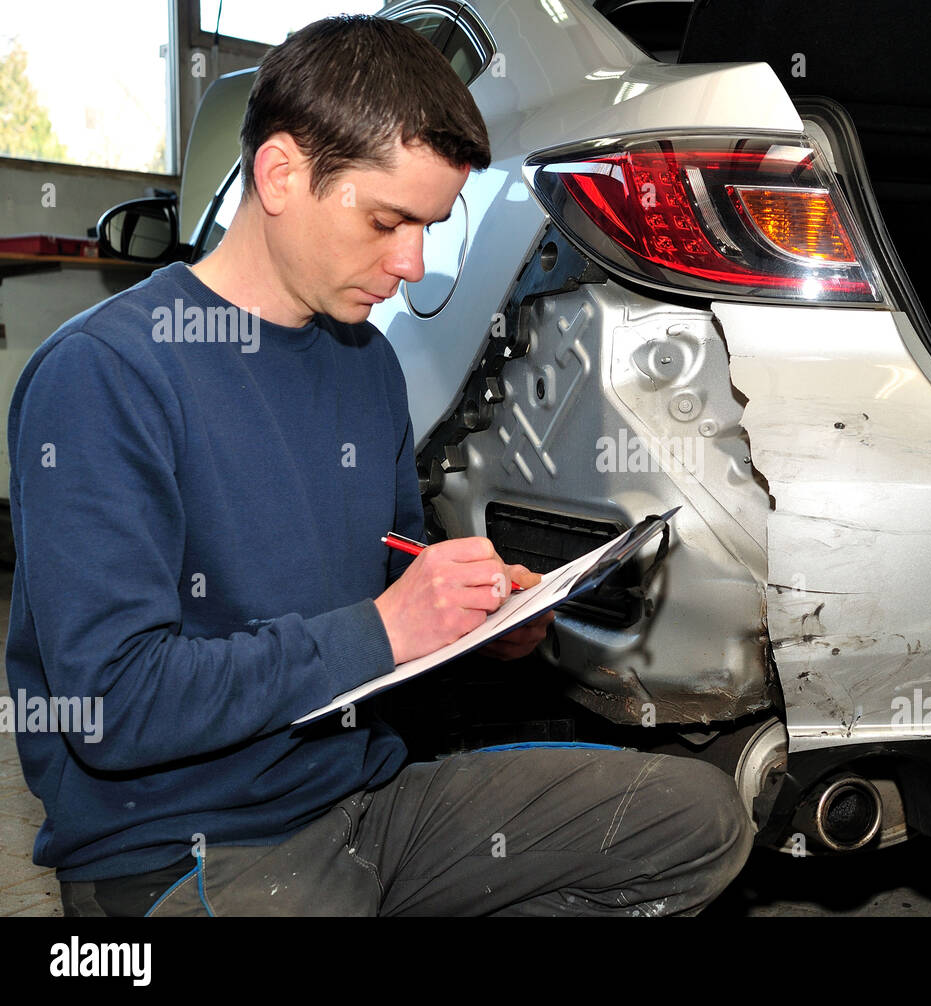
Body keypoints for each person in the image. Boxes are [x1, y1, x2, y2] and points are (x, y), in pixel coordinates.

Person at [5, 14, 752, 916]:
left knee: (696, 820)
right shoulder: (105, 375)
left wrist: (480, 626)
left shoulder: (364, 364)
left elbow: (390, 586)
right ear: (280, 174)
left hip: (368, 803)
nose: (412, 264)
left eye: (430, 227)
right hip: (190, 846)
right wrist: (387, 628)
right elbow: (116, 706)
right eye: (389, 220)